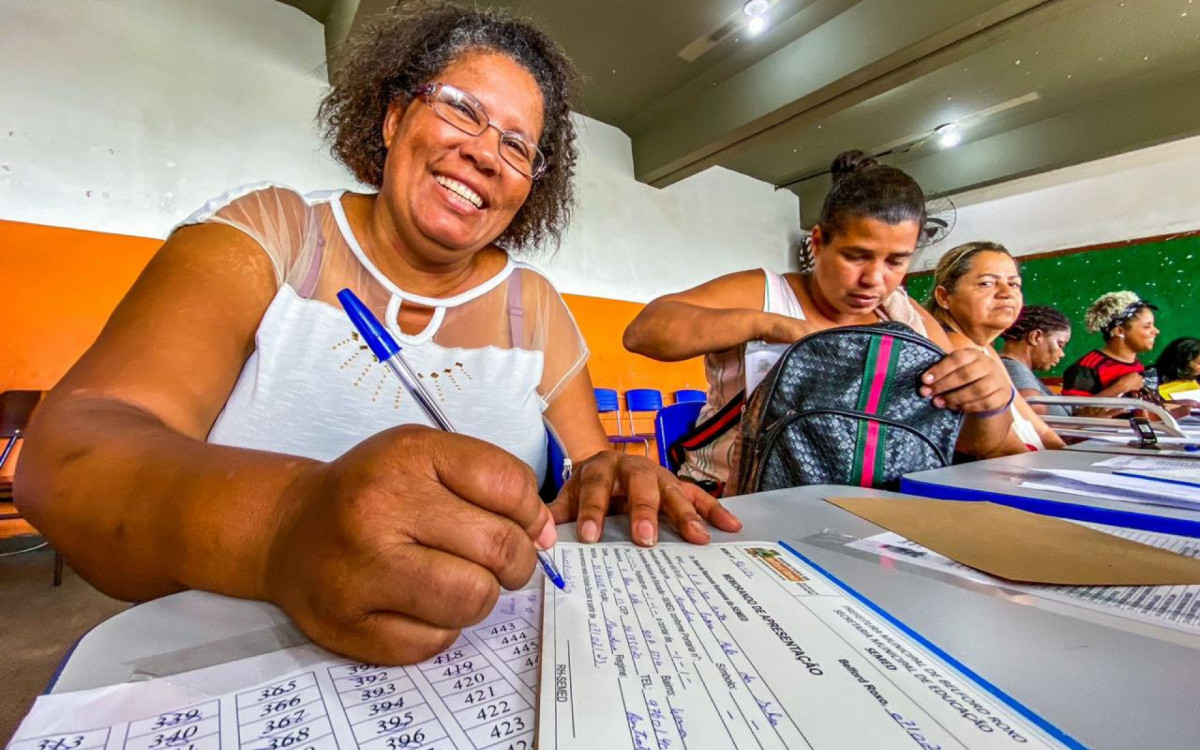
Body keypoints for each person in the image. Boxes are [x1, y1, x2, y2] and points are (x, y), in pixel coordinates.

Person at [15, 3, 738, 666]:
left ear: (530, 189)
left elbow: (586, 468)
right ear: (393, 116)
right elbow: (71, 454)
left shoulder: (535, 303)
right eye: (461, 109)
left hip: (472, 674)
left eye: (519, 146)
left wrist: (611, 478)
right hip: (233, 668)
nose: (487, 153)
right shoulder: (271, 234)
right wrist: (285, 528)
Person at [622, 151, 1020, 495]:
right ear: (817, 242)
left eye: (896, 261)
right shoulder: (766, 292)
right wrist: (779, 328)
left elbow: (976, 447)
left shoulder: (908, 323)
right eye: (856, 256)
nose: (874, 279)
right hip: (736, 501)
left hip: (867, 512)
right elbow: (644, 332)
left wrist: (992, 402)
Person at [926, 243, 1064, 451]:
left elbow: (1040, 429)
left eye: (1014, 284)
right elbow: (1003, 449)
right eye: (986, 283)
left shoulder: (986, 349)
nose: (1006, 293)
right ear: (944, 297)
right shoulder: (954, 346)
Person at [1061, 291, 1189, 418]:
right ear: (1119, 331)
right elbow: (1075, 415)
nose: (1156, 331)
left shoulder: (1137, 365)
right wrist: (1121, 387)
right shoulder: (1086, 368)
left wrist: (1179, 406)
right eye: (1146, 326)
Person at [998, 305, 1073, 417]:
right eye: (1060, 344)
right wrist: (1079, 427)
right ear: (1035, 337)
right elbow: (1033, 409)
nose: (1062, 354)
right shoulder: (1014, 369)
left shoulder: (1019, 370)